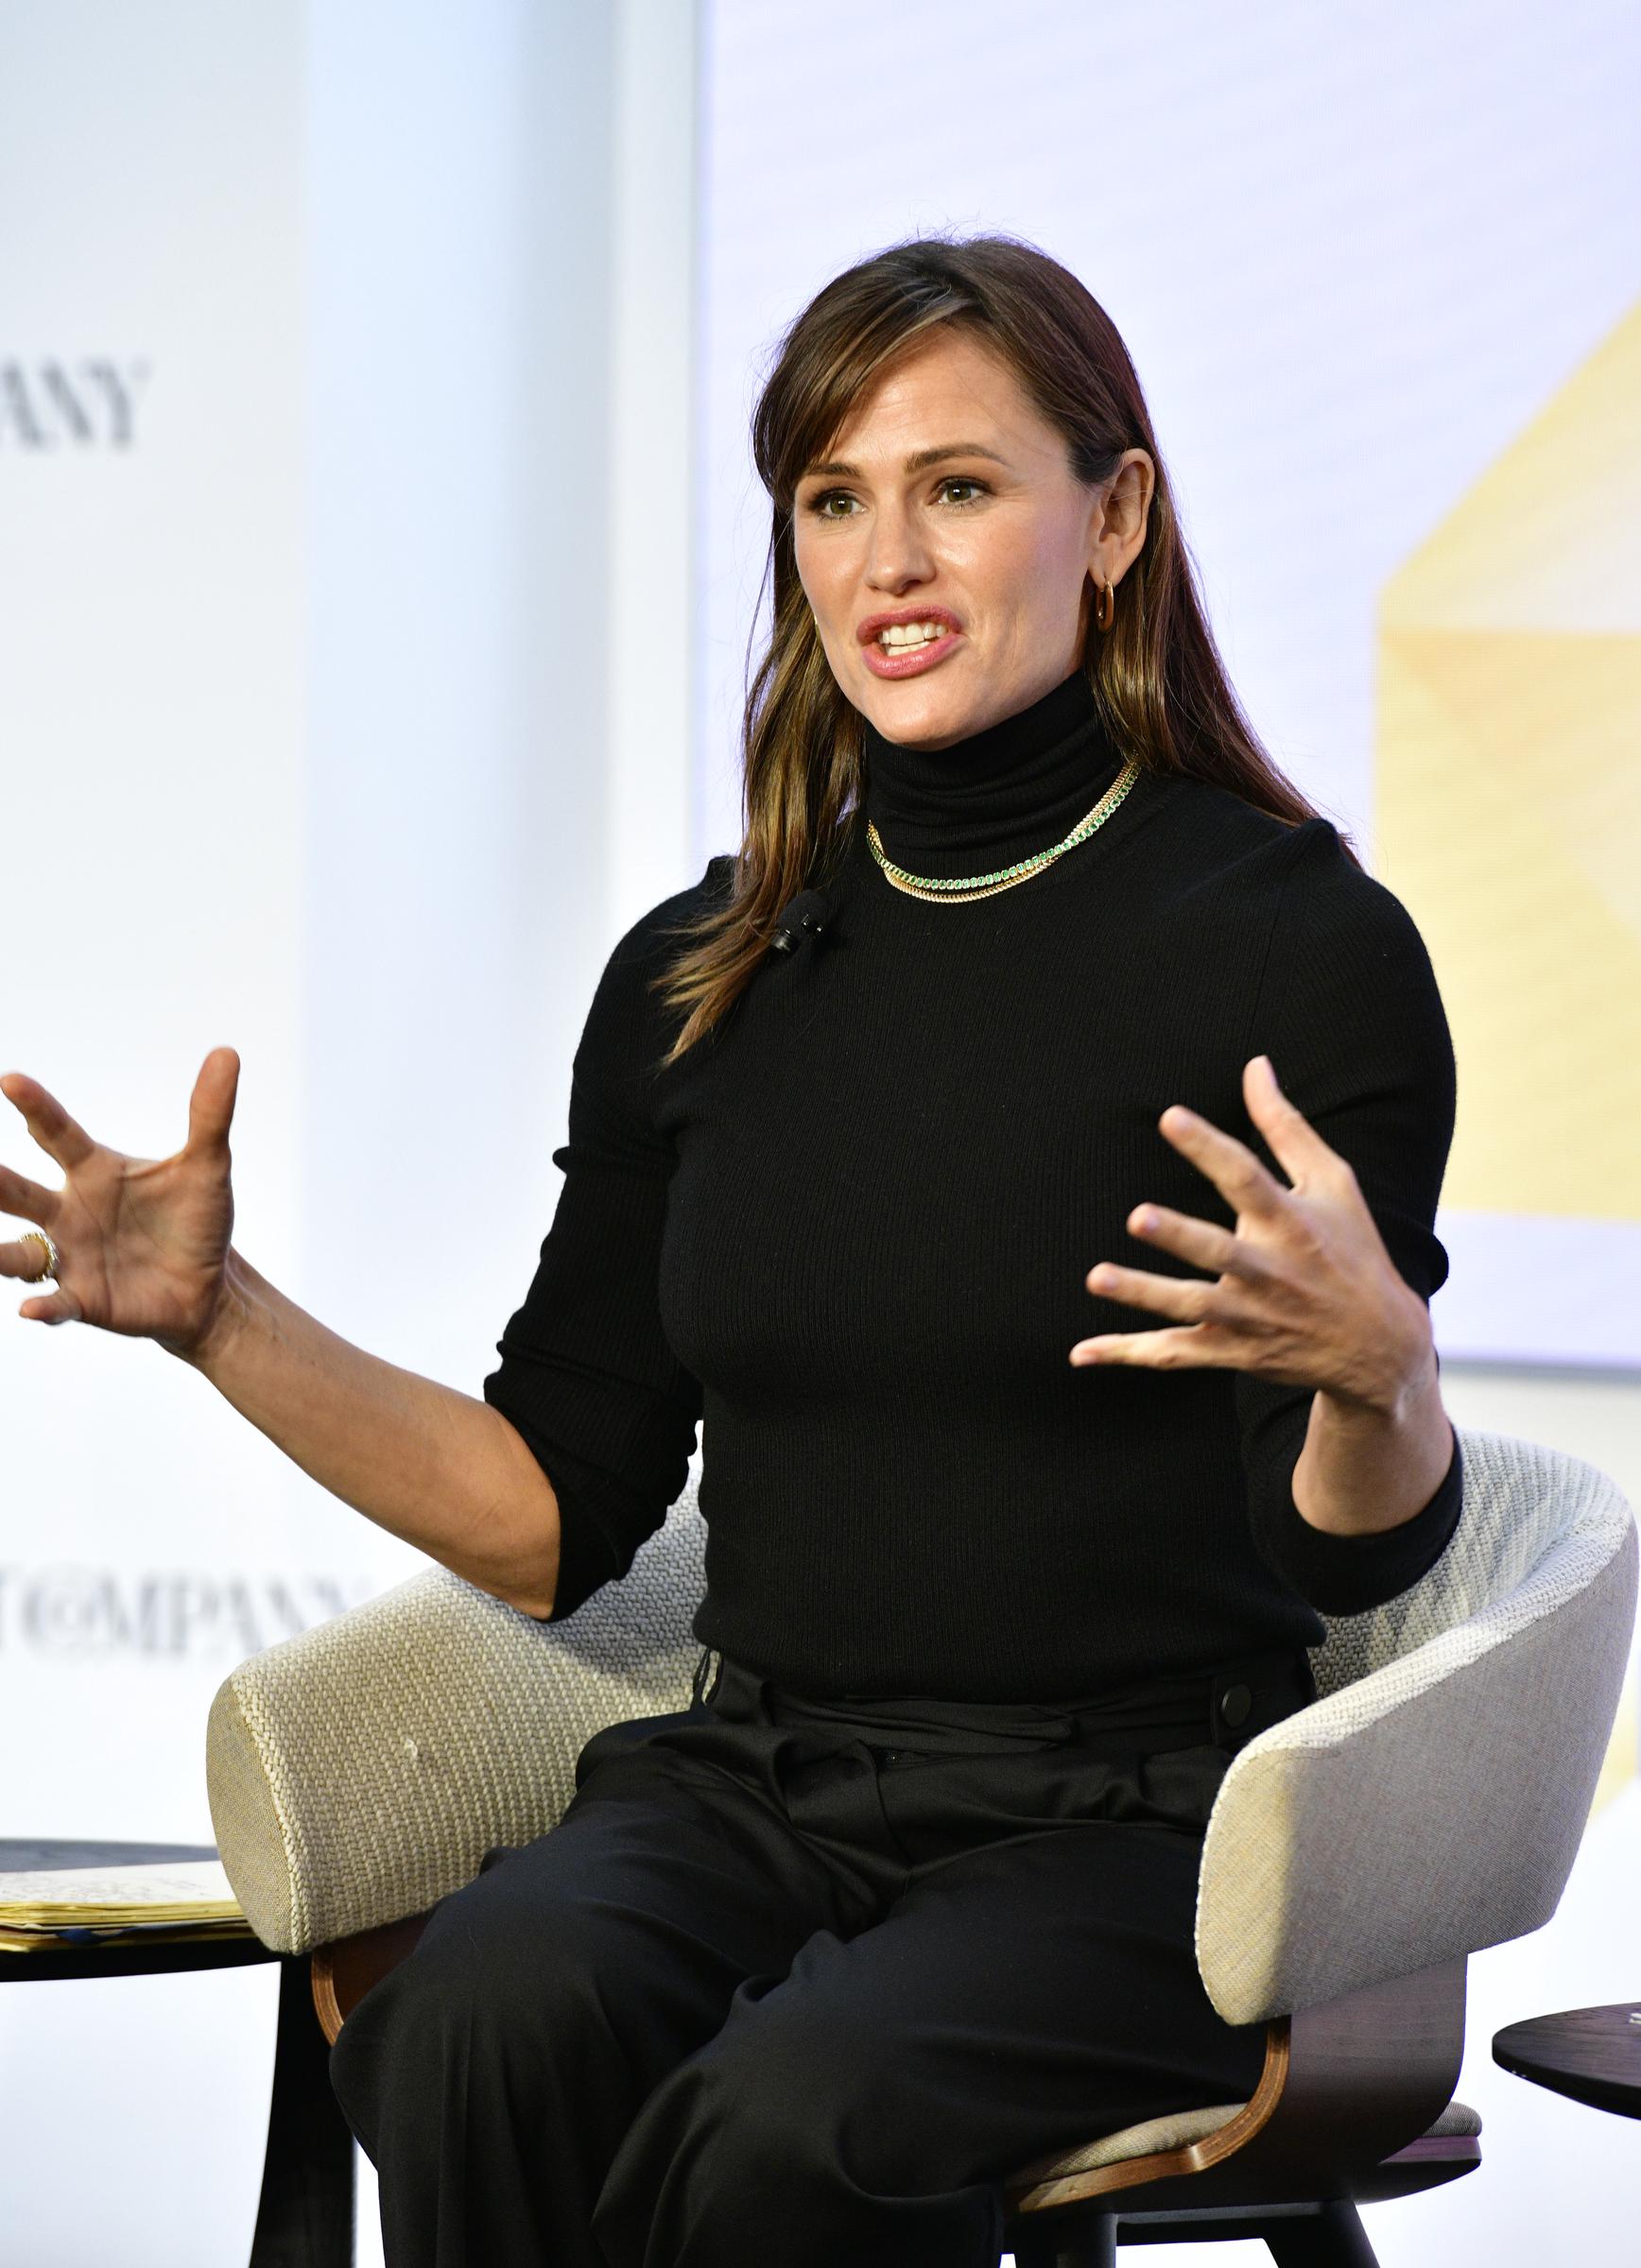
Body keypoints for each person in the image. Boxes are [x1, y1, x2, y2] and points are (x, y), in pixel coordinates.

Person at [0, 234, 1461, 2268]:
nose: (889, 561)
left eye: (958, 486)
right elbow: (546, 1516)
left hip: (1130, 1827)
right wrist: (221, 1321)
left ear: (1112, 515)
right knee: (470, 2028)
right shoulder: (707, 971)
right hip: (759, 1777)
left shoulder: (1294, 946)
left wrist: (1376, 1374)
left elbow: (1347, 1556)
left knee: (795, 2133)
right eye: (832, 498)